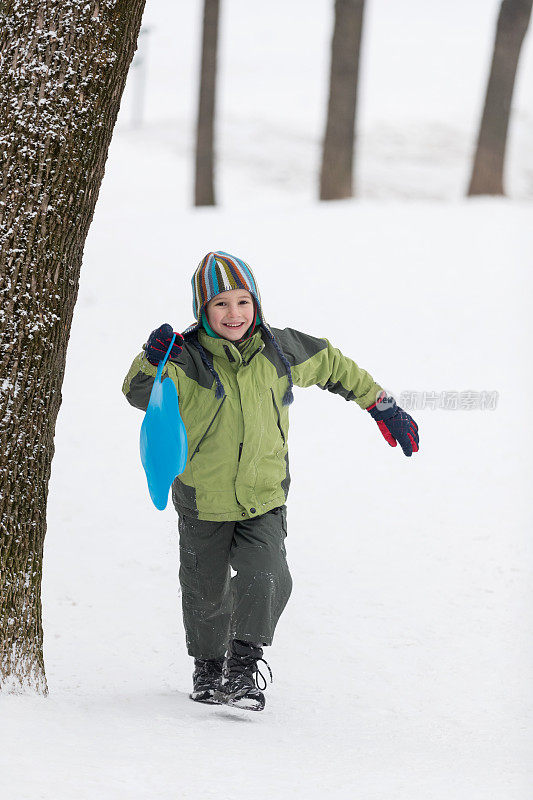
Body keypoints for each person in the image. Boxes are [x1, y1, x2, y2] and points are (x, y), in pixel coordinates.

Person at [122, 251, 419, 712]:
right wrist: (152, 359)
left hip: (263, 496)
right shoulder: (186, 357)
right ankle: (207, 667)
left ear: (256, 303)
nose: (234, 314)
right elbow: (139, 393)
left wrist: (379, 404)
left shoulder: (280, 350)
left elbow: (334, 365)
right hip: (203, 497)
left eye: (243, 301)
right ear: (203, 310)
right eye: (221, 304)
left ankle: (243, 665)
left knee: (267, 577)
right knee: (204, 590)